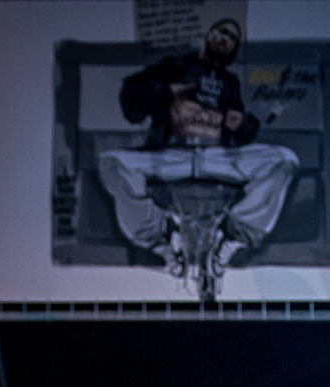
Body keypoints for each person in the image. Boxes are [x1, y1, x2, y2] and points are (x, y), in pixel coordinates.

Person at [98, 17, 297, 276]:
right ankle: (163, 239)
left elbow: (244, 136)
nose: (225, 39)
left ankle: (232, 235)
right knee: (110, 162)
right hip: (171, 155)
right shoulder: (174, 65)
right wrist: (166, 91)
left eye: (232, 38)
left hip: (216, 155)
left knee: (284, 160)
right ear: (209, 34)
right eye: (222, 32)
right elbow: (130, 97)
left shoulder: (230, 82)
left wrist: (240, 123)